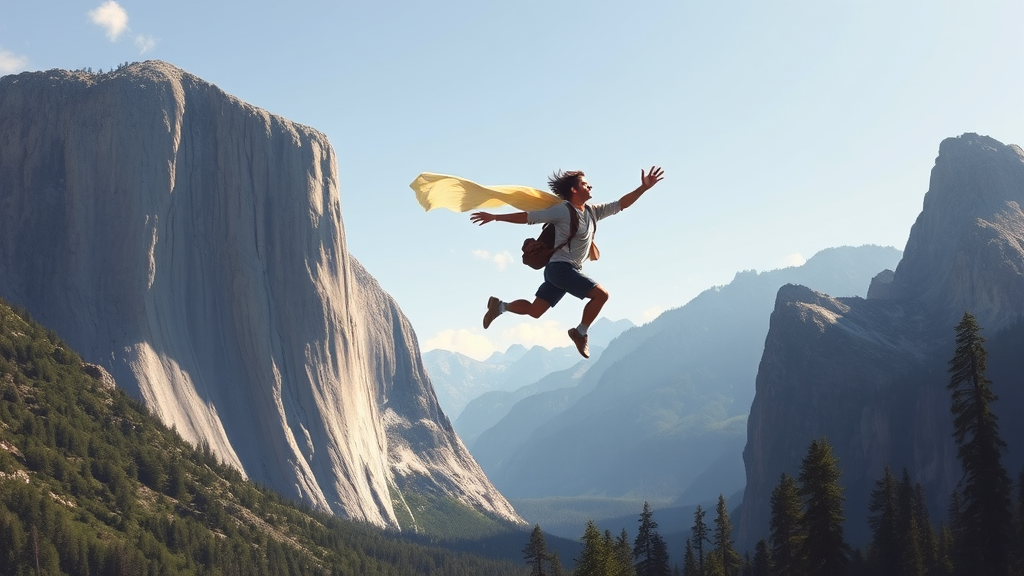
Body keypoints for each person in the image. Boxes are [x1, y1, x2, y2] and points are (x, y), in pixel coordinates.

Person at [470, 166, 664, 358]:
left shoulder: (592, 212)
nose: (590, 187)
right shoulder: (562, 211)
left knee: (535, 311)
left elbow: (621, 204)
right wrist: (495, 217)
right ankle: (580, 333)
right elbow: (529, 217)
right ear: (574, 190)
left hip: (562, 271)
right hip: (560, 268)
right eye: (585, 184)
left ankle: (500, 306)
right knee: (601, 295)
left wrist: (643, 188)